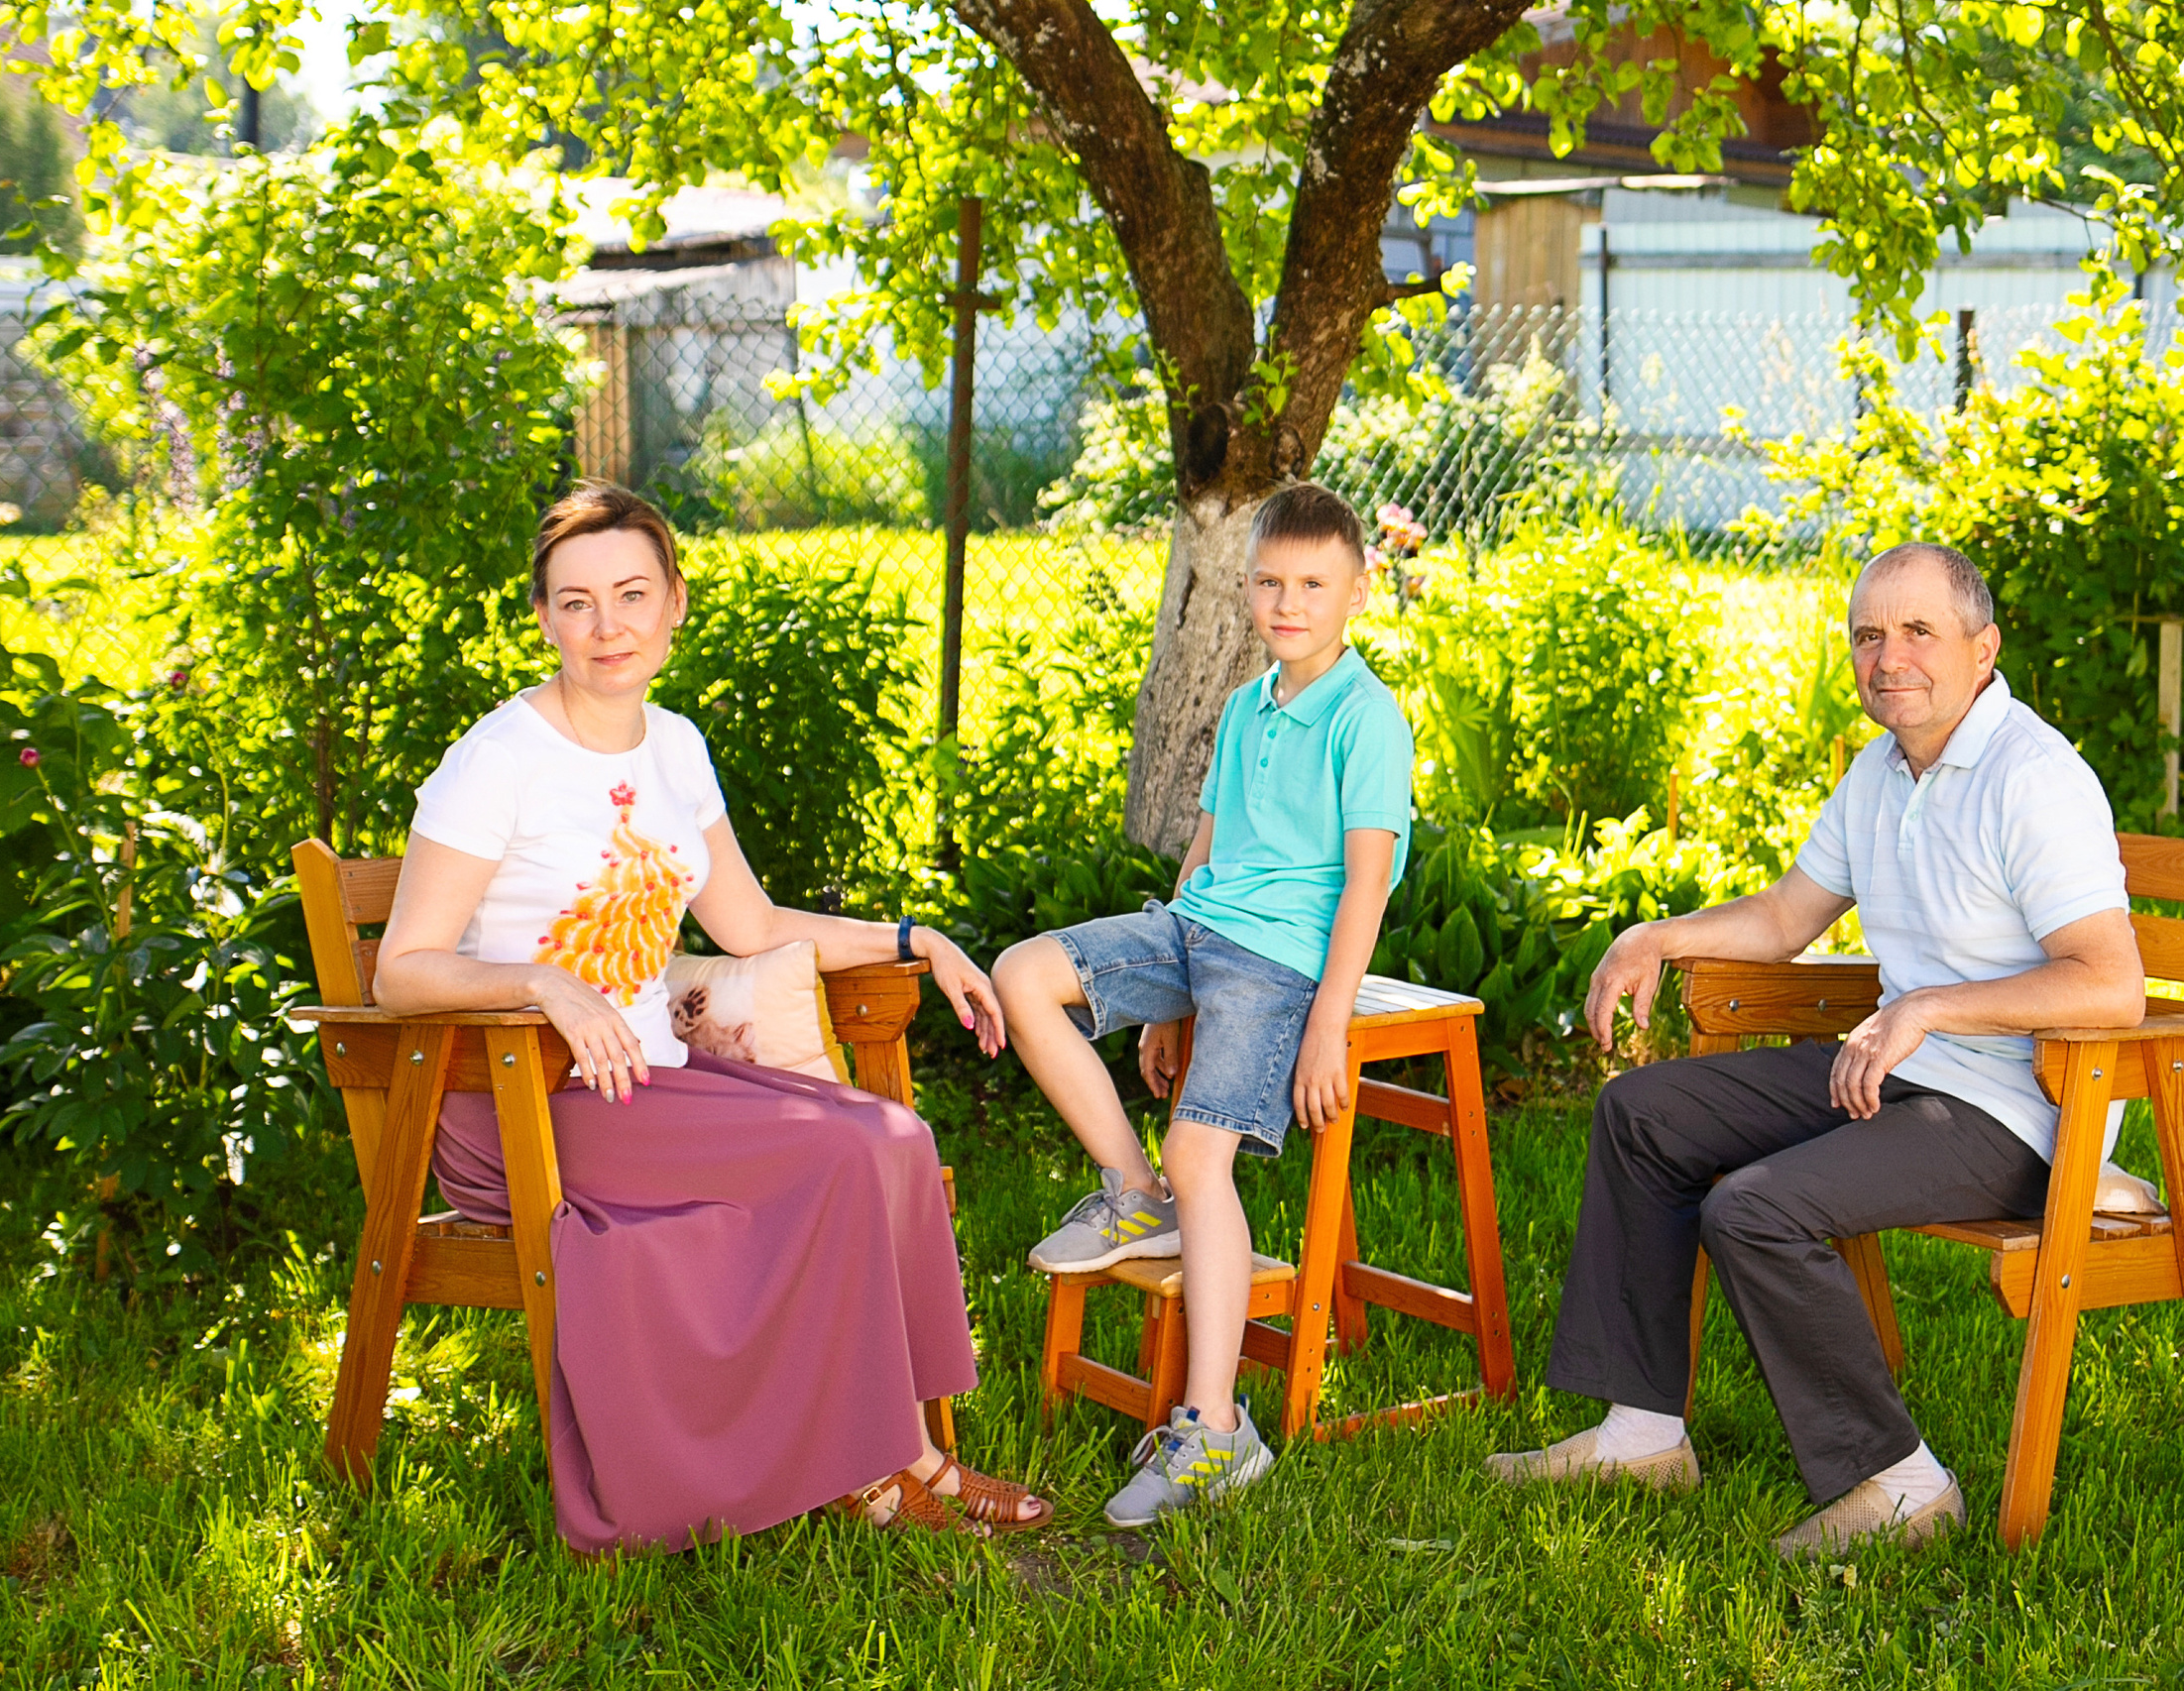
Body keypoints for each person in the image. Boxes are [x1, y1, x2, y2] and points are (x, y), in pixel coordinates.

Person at [373, 481, 1053, 1553]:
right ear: (544, 616)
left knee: (895, 1138)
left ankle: (893, 1446)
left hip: (644, 1078)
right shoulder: (496, 760)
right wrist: (543, 984)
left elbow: (747, 923)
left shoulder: (674, 746)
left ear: (675, 600)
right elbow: (401, 972)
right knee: (838, 1149)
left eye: (632, 593)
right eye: (578, 602)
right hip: (519, 1099)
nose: (609, 626)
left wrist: (915, 937)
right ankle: (895, 1466)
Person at [1487, 541, 2146, 1557]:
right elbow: (1789, 916)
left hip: (2018, 1110)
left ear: (1982, 646)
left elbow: (2110, 982)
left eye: (1918, 631)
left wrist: (1927, 1006)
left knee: (1752, 1205)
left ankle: (1899, 1482)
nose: (1890, 657)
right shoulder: (1882, 771)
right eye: (1867, 635)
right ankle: (1641, 1428)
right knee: (1643, 1113)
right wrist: (1653, 936)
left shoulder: (2033, 777)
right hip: (1896, 1069)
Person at [991, 482, 1414, 1527]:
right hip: (1196, 927)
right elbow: (1206, 848)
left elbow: (1366, 882)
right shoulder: (1243, 704)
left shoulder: (1367, 718)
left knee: (1203, 1157)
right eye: (1270, 581)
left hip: (1277, 968)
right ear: (1243, 587)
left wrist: (1327, 1023)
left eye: (1313, 583)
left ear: (1358, 590)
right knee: (1020, 974)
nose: (1289, 602)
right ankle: (1132, 1191)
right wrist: (1167, 1002)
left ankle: (1215, 1430)